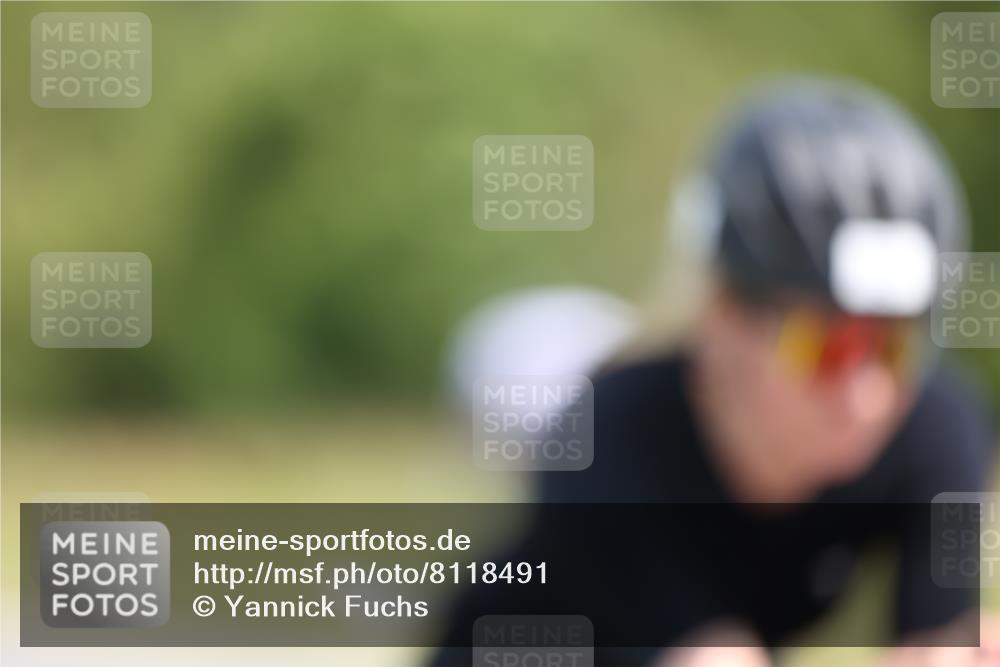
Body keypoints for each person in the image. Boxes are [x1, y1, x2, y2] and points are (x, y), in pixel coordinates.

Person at [431, 79, 996, 667]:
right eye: (828, 346)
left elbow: (939, 646)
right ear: (722, 313)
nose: (866, 394)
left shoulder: (937, 427)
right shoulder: (606, 437)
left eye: (894, 347)